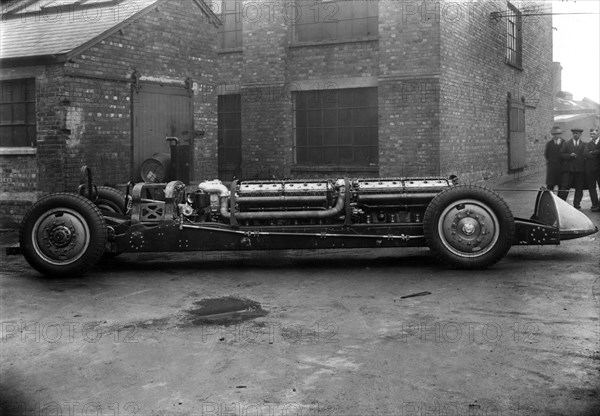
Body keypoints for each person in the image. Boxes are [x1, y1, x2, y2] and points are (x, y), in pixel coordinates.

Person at [558, 128, 586, 208]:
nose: (575, 135)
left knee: (579, 188)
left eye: (577, 133)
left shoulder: (584, 145)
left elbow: (586, 156)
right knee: (565, 187)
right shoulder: (566, 144)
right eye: (574, 133)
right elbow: (561, 154)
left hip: (580, 170)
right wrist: (569, 155)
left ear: (580, 135)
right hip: (568, 170)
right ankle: (562, 205)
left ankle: (576, 204)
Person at [584, 127, 600, 211]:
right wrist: (596, 153)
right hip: (590, 170)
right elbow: (585, 153)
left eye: (593, 134)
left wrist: (592, 152)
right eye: (591, 134)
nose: (592, 135)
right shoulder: (588, 144)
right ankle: (595, 205)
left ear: (598, 133)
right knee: (592, 188)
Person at [544, 126, 564, 191]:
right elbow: (546, 155)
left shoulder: (565, 143)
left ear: (560, 134)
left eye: (558, 134)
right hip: (552, 170)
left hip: (561, 169)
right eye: (554, 134)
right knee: (550, 188)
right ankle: (550, 201)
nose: (556, 136)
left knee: (561, 188)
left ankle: (560, 200)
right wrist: (552, 162)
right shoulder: (549, 144)